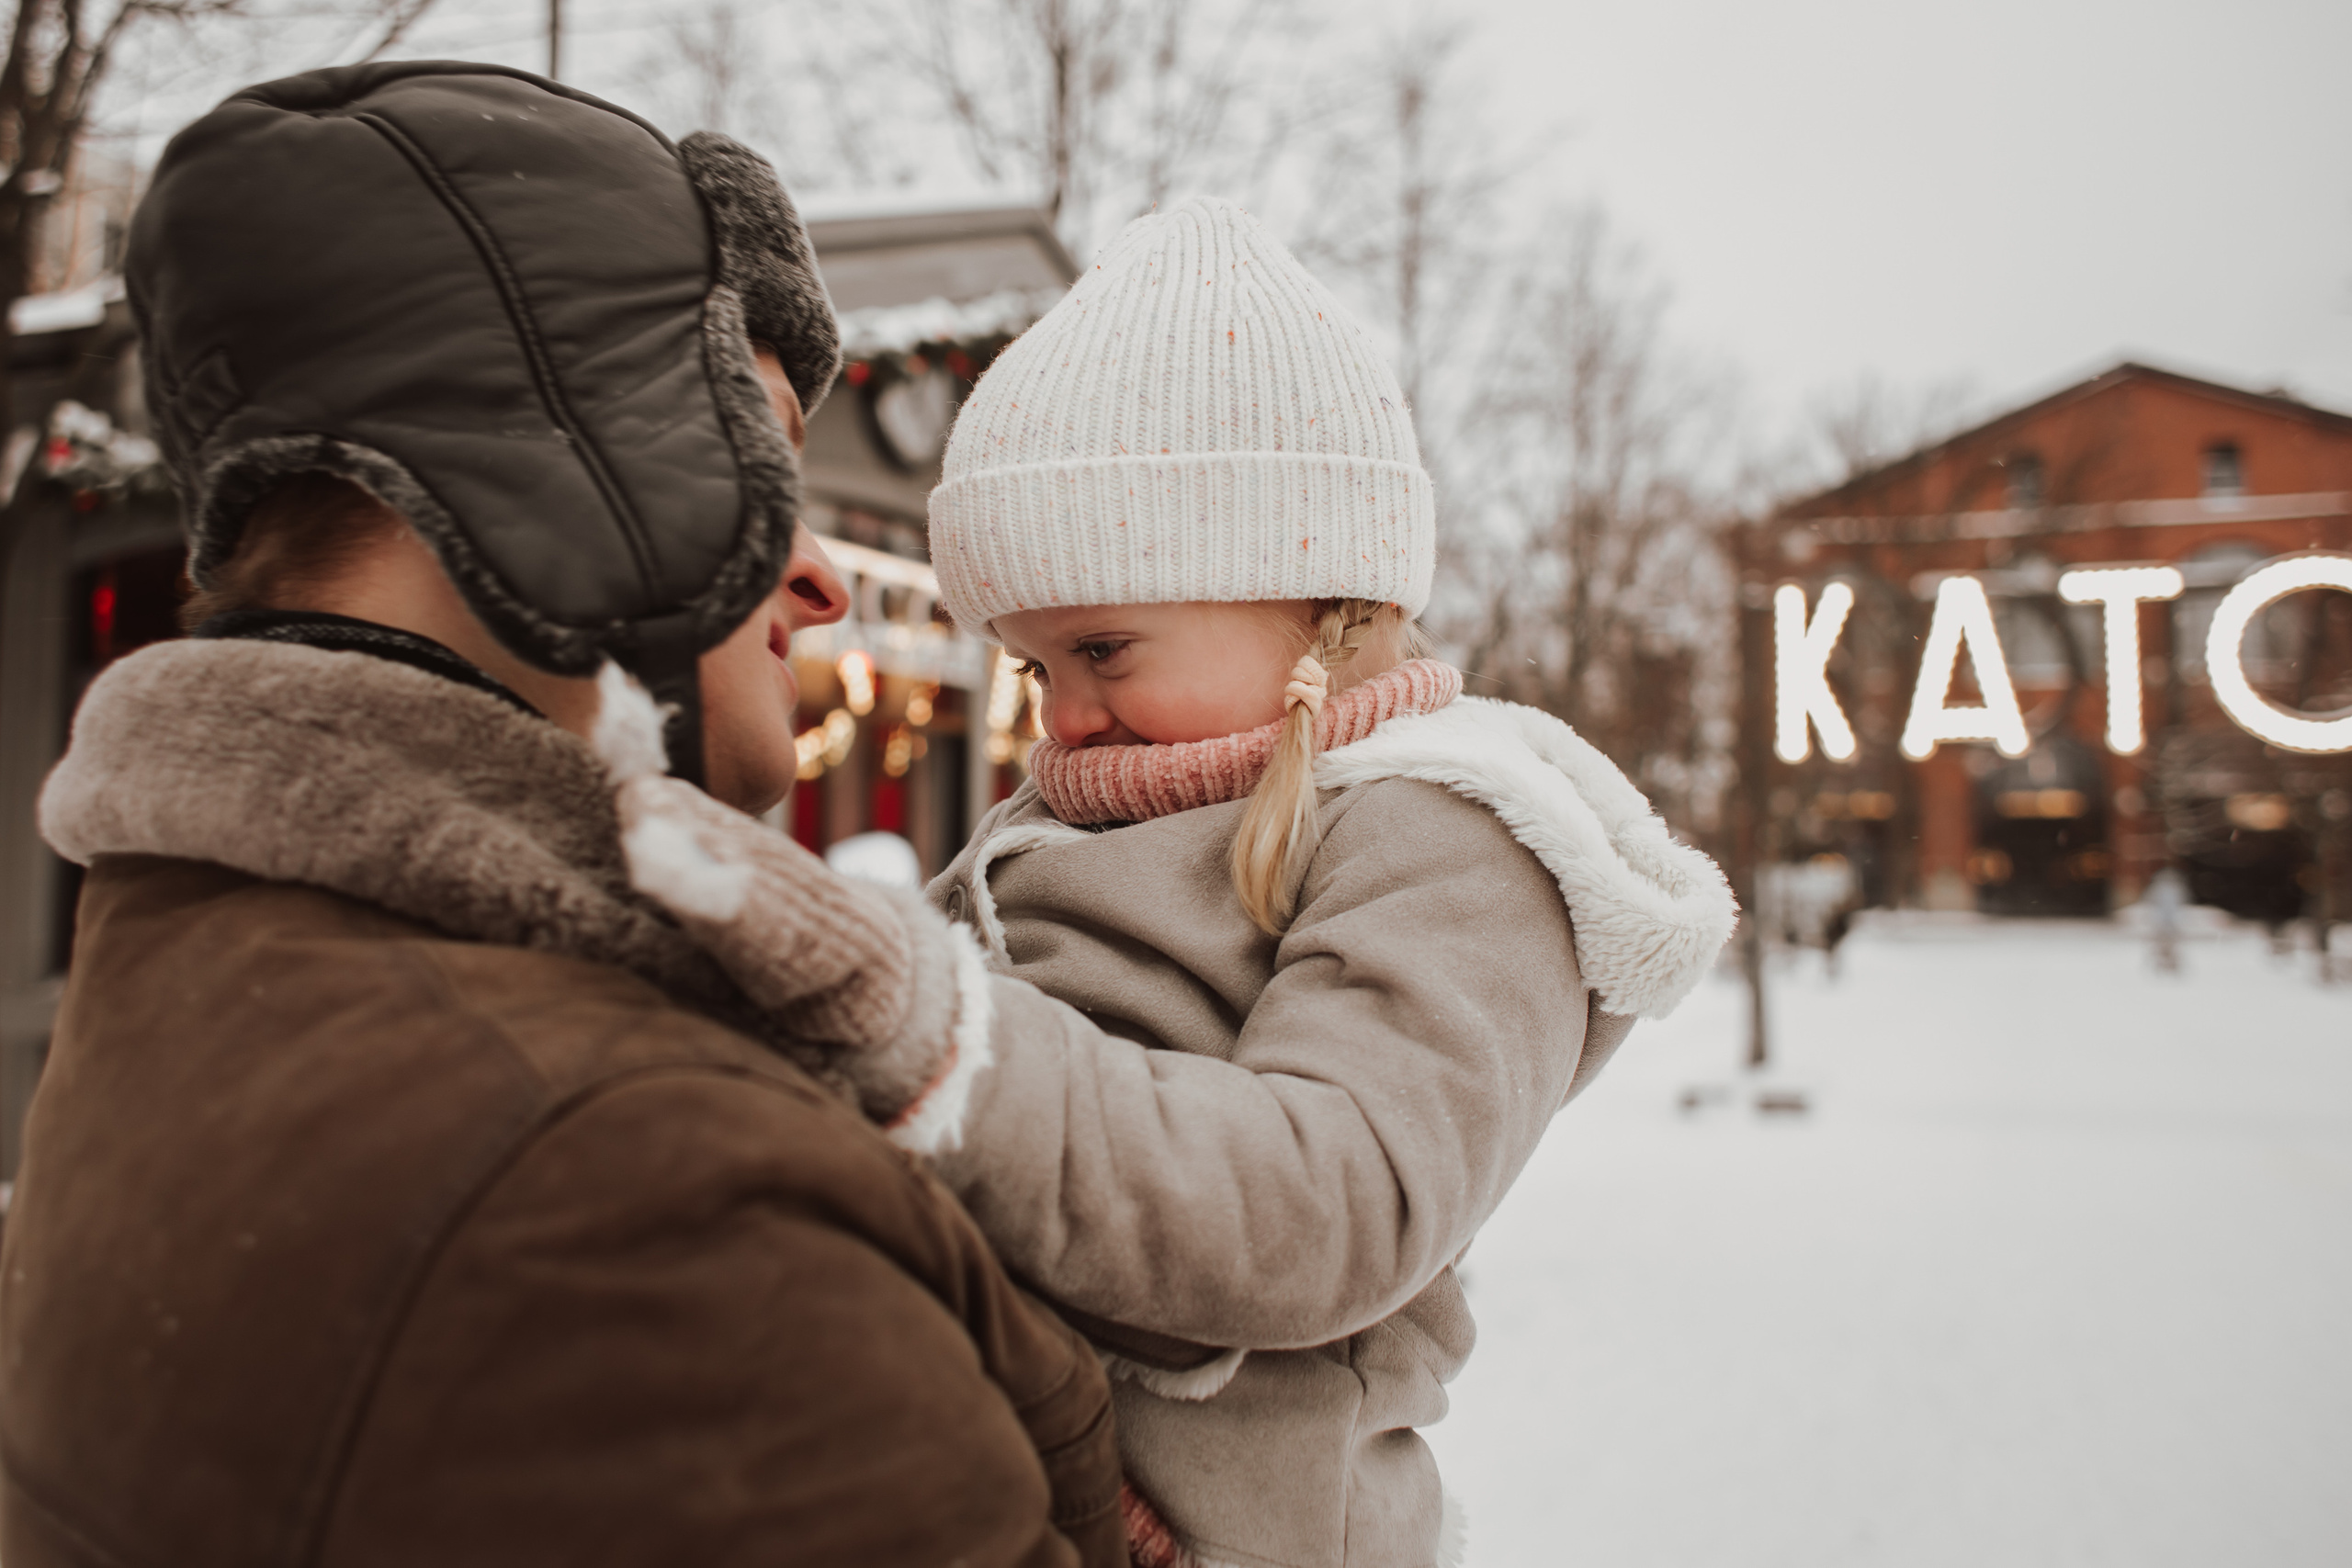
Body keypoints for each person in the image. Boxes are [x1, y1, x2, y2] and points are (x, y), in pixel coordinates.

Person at [1, 62, 1123, 1568]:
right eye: (759, 468)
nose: (823, 579)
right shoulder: (632, 1188)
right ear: (559, 478)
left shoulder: (207, 962)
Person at [610, 198, 1739, 1568]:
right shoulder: (1075, 812)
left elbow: (1334, 1205)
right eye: (1035, 669)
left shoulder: (1454, 839)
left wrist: (927, 1027)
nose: (1062, 716)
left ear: (1316, 595)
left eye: (1104, 648)